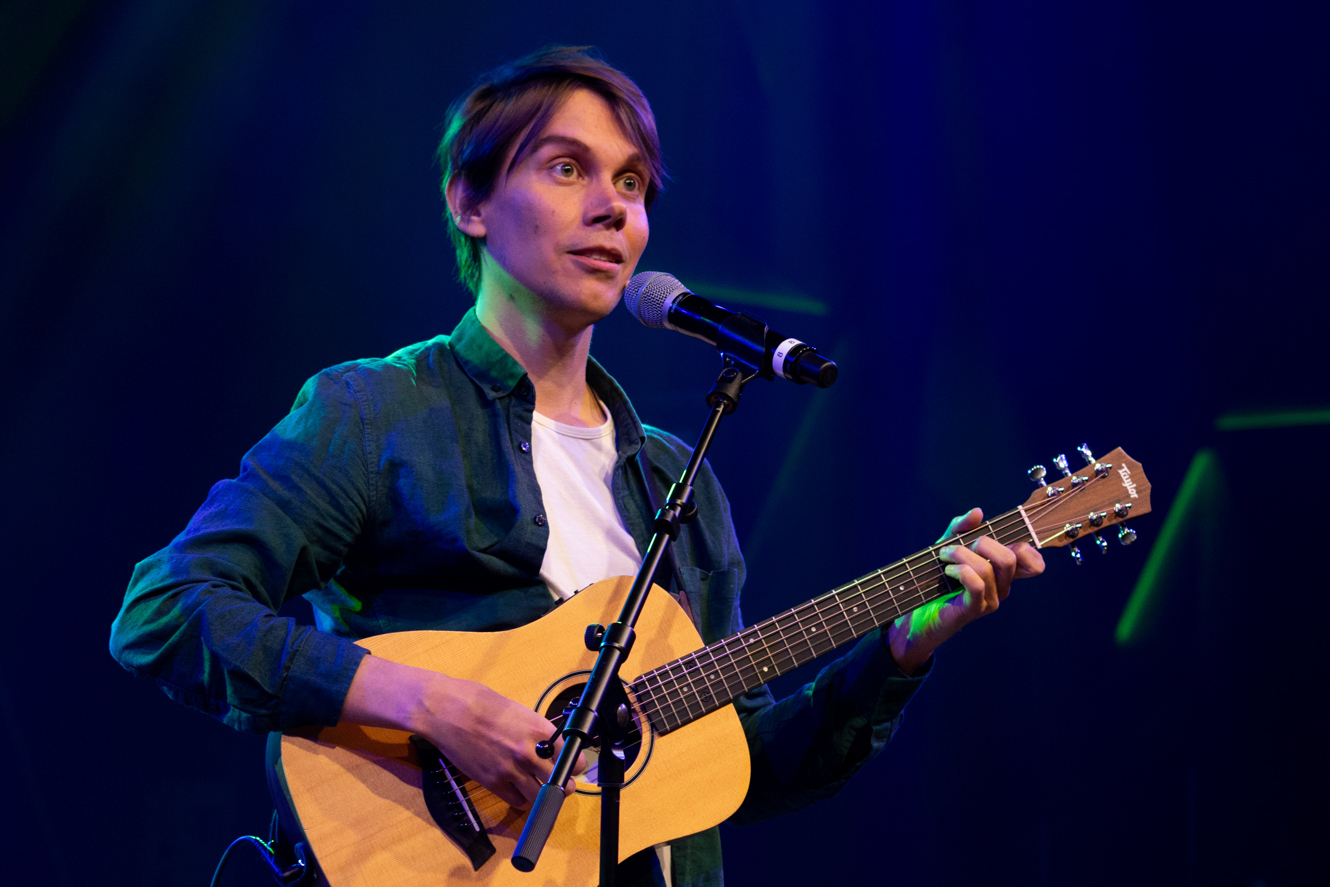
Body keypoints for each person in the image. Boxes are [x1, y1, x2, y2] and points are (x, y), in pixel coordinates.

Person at [109, 46, 1043, 887]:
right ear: (470, 204)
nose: (612, 206)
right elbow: (169, 607)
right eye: (568, 169)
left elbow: (742, 763)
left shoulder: (677, 480)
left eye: (632, 184)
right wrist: (430, 702)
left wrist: (901, 646)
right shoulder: (375, 411)